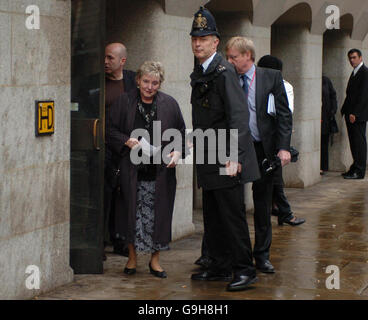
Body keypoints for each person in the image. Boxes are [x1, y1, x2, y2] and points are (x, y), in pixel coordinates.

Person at [189, 7, 261, 292]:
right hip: (208, 154)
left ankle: (245, 269)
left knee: (232, 216)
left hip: (225, 156)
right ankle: (219, 265)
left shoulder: (223, 71)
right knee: (213, 216)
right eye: (195, 38)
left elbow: (238, 117)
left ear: (215, 42)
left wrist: (234, 157)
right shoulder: (202, 70)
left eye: (204, 38)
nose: (198, 43)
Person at [107, 61, 186, 278]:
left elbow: (180, 133)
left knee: (158, 217)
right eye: (146, 82)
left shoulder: (169, 103)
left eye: (155, 83)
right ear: (138, 80)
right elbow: (110, 130)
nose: (150, 87)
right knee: (131, 215)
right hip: (131, 171)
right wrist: (126, 141)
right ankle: (132, 259)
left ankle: (155, 261)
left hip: (160, 172)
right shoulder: (124, 101)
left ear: (160, 83)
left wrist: (177, 152)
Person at [226, 37, 292, 273]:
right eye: (229, 57)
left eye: (234, 57)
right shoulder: (228, 76)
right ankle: (233, 255)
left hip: (263, 148)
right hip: (234, 149)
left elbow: (284, 114)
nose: (230, 61)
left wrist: (283, 147)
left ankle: (262, 255)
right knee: (231, 202)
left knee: (262, 203)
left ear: (248, 56)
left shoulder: (270, 77)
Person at [257, 55, 305, 227]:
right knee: (273, 177)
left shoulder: (285, 86)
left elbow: (286, 114)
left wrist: (283, 144)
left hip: (275, 139)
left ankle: (283, 211)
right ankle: (282, 211)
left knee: (274, 175)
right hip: (259, 138)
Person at [104, 43, 136, 259]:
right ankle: (99, 242)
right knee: (104, 193)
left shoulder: (133, 81)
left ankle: (121, 240)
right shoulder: (97, 82)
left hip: (126, 147)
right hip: (103, 145)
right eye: (104, 58)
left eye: (110, 58)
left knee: (125, 194)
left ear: (122, 61)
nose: (105, 62)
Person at [341, 48, 368, 179]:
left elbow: (364, 95)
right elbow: (350, 94)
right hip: (350, 113)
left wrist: (355, 113)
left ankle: (360, 170)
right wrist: (344, 110)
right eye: (350, 58)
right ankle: (355, 167)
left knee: (359, 142)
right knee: (353, 142)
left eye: (354, 57)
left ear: (360, 57)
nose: (352, 60)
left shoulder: (364, 72)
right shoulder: (355, 72)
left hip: (357, 115)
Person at [321, 75, 338, 175]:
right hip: (317, 116)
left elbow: (333, 95)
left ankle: (323, 167)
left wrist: (333, 110)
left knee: (324, 141)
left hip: (326, 117)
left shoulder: (326, 80)